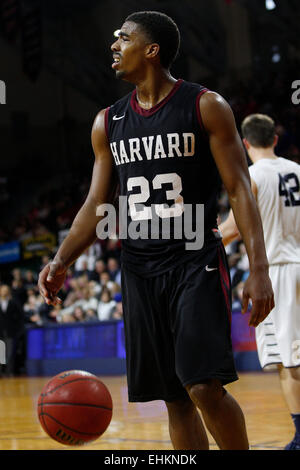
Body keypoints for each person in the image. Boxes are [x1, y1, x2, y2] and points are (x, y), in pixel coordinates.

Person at [38, 11, 274, 450]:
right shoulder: (106, 123)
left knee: (203, 386)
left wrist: (258, 269)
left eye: (123, 38)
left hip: (194, 261)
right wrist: (61, 259)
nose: (113, 45)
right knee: (174, 398)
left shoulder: (205, 105)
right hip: (139, 268)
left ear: (151, 50)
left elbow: (241, 192)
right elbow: (96, 204)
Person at [219, 113, 300, 450]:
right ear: (275, 139)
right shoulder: (297, 171)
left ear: (245, 143)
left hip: (278, 270)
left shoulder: (251, 176)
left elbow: (232, 229)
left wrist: (194, 240)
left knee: (290, 360)